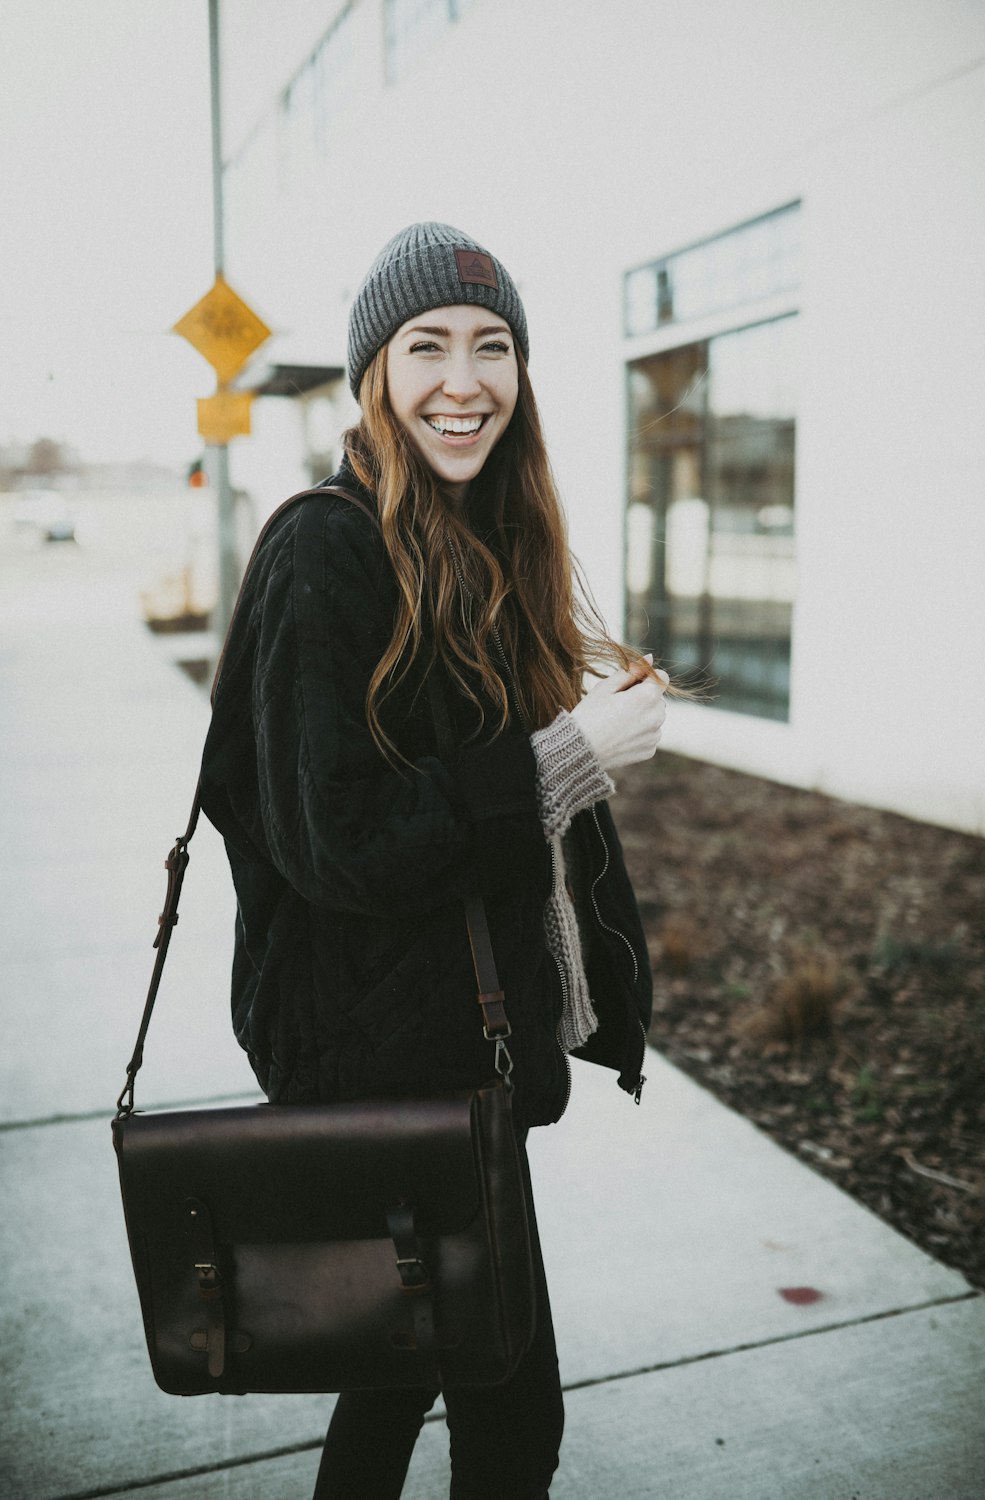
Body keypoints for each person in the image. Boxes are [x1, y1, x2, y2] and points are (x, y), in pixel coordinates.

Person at [200, 222, 669, 1500]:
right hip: (393, 1067)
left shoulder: (473, 547)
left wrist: (556, 712)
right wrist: (567, 757)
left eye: (492, 345)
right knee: (513, 1424)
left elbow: (448, 781)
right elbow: (338, 838)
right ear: (374, 374)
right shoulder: (325, 550)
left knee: (396, 1374)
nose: (464, 378)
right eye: (427, 347)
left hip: (450, 1057)